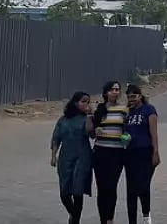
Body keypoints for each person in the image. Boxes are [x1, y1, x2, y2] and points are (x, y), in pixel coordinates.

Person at [51, 91, 94, 224]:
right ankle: (74, 215)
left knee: (77, 191)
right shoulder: (63, 120)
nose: (86, 104)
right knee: (64, 194)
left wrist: (89, 116)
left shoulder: (87, 119)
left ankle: (75, 221)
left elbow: (91, 134)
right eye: (83, 101)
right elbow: (56, 138)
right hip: (65, 158)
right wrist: (53, 155)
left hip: (83, 157)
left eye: (88, 102)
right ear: (75, 103)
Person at [92, 80, 128, 224]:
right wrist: (94, 128)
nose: (115, 92)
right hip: (100, 152)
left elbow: (127, 129)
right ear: (106, 93)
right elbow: (91, 132)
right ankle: (103, 219)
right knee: (102, 188)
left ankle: (109, 218)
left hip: (117, 153)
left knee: (111, 187)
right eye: (112, 89)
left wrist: (126, 138)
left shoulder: (124, 110)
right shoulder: (99, 109)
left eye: (117, 89)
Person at [124, 84, 160, 224]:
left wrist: (155, 152)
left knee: (143, 186)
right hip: (130, 153)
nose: (131, 99)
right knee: (131, 189)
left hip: (145, 152)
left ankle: (146, 215)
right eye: (128, 97)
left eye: (133, 96)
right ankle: (131, 220)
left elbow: (154, 133)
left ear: (140, 96)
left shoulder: (148, 110)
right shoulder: (128, 112)